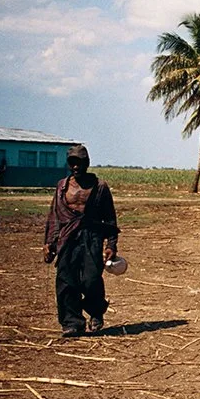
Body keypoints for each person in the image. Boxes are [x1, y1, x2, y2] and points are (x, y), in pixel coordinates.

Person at [43, 144, 119, 337]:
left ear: (87, 163)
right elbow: (54, 215)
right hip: (67, 238)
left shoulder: (100, 187)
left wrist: (111, 244)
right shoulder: (62, 187)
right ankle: (72, 322)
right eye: (72, 163)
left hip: (91, 237)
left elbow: (109, 218)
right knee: (66, 281)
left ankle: (96, 311)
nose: (76, 167)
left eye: (80, 163)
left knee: (91, 280)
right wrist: (49, 243)